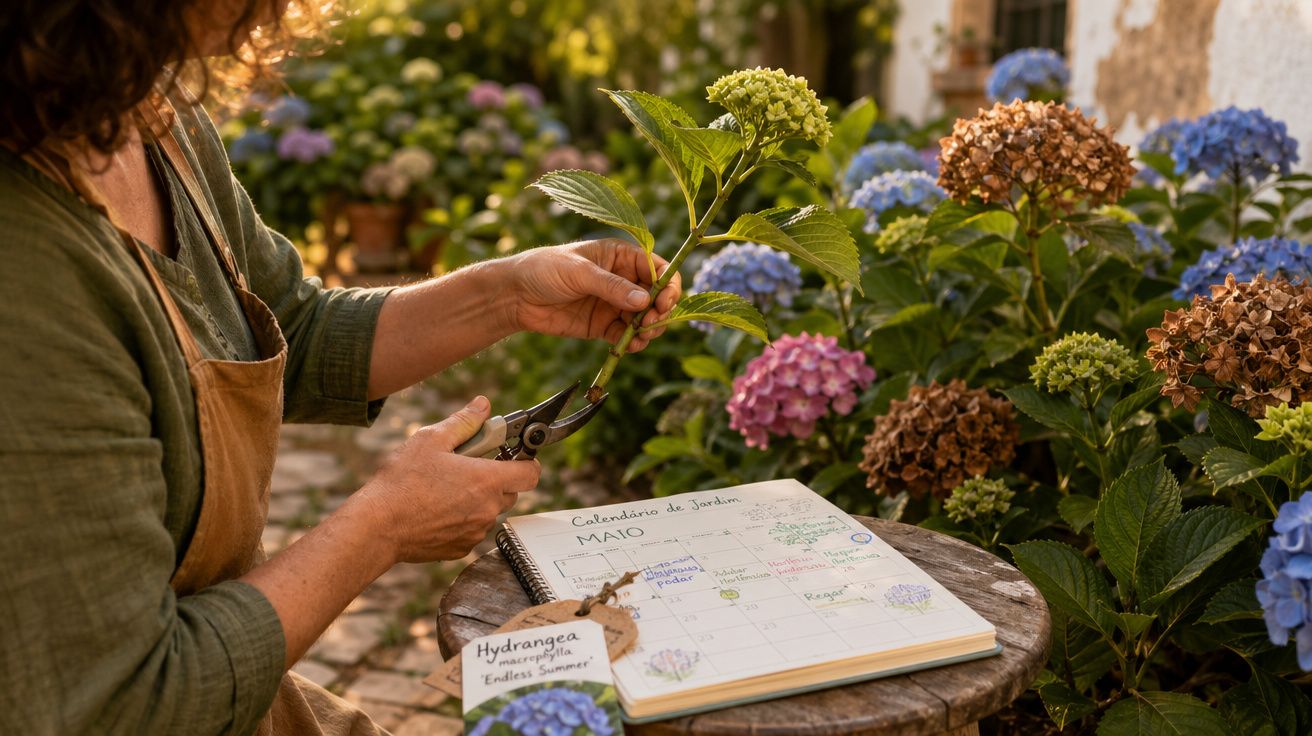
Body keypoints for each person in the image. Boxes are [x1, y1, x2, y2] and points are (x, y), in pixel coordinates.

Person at [0, 1, 680, 733]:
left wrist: (509, 293)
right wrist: (380, 527)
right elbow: (126, 705)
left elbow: (290, 328)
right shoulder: (26, 277)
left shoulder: (145, 116)